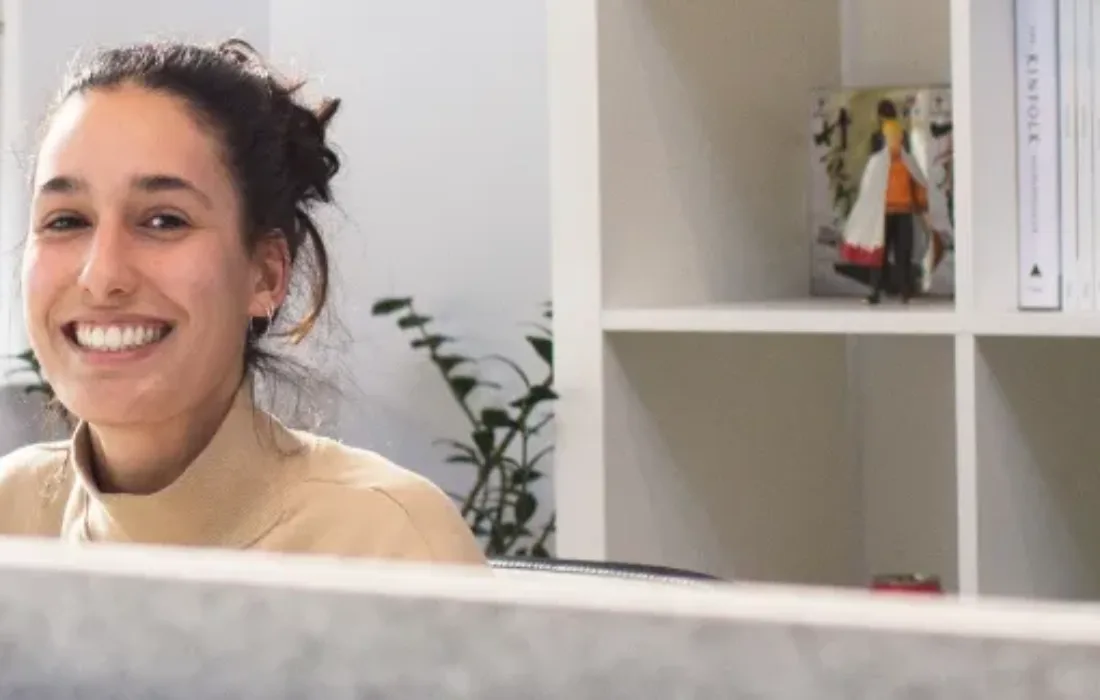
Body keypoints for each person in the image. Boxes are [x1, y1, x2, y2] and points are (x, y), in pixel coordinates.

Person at [0, 38, 487, 567]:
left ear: (266, 274)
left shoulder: (392, 543)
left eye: (165, 220)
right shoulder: (12, 515)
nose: (102, 277)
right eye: (66, 220)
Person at [839, 118, 947, 304]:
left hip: (904, 212)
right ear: (885, 139)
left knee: (903, 253)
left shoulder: (908, 162)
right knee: (878, 254)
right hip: (883, 215)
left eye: (898, 137)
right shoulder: (876, 163)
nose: (895, 141)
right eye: (891, 137)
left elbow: (918, 184)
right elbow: (869, 191)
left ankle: (905, 292)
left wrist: (922, 205)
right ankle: (875, 291)